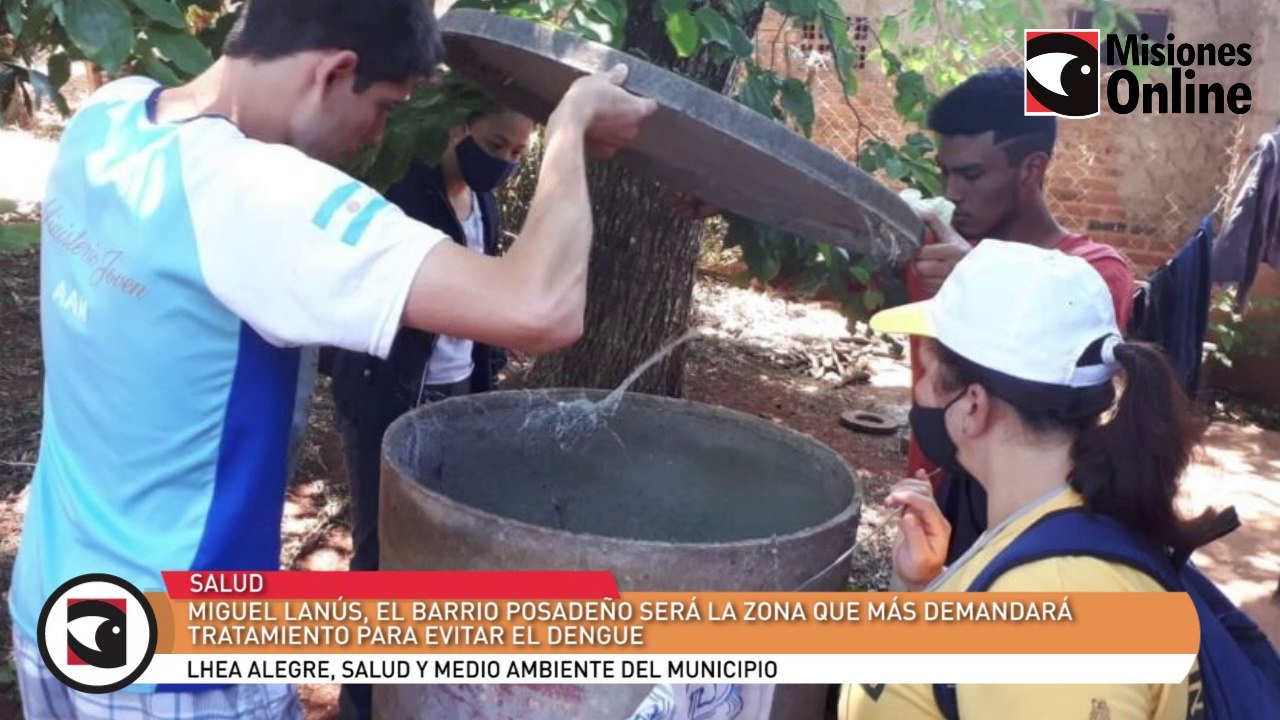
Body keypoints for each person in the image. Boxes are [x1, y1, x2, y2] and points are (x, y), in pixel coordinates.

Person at [8, 0, 657, 716]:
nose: (377, 134)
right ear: (334, 72)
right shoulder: (259, 195)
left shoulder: (108, 116)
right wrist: (569, 126)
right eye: (384, 106)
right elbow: (541, 308)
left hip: (54, 604)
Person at [840, 238, 1210, 719]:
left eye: (927, 373)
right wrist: (925, 589)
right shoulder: (1057, 523)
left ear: (972, 406)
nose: (919, 390)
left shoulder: (1053, 615)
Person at [322, 106, 536, 720]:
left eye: (518, 153)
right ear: (456, 128)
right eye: (496, 144)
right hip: (387, 398)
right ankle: (361, 703)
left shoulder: (483, 204)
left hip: (457, 395)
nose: (506, 162)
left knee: (442, 546)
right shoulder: (402, 195)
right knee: (379, 553)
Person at [904, 67, 1136, 567]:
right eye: (944, 173)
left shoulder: (1090, 274)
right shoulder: (937, 252)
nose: (951, 193)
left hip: (1027, 526)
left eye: (971, 175)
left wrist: (978, 279)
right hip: (932, 501)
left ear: (1031, 169)